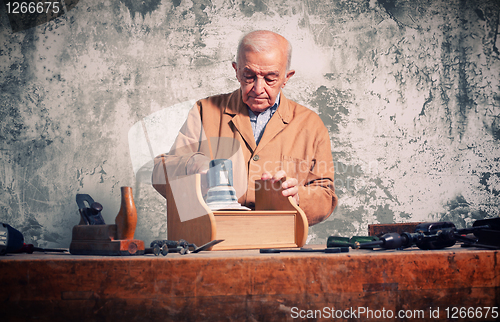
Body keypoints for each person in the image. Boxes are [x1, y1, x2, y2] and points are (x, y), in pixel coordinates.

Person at [152, 30, 337, 226]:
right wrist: (193, 164)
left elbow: (326, 196)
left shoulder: (311, 125)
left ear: (286, 77)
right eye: (249, 76)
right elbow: (160, 174)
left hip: (280, 244)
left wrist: (299, 197)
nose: (258, 89)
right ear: (236, 70)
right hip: (213, 240)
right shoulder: (204, 111)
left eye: (270, 79)